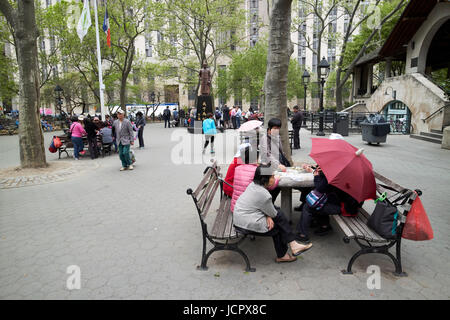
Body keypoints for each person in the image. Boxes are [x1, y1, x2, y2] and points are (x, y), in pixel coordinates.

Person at [233, 164, 313, 262]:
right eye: (272, 176)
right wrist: (269, 215)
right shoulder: (263, 194)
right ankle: (286, 251)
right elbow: (273, 213)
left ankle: (291, 246)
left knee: (278, 214)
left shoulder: (253, 185)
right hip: (245, 223)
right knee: (279, 224)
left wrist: (268, 215)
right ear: (264, 179)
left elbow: (266, 208)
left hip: (242, 217)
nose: (274, 178)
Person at [259, 118, 291, 202]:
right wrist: (278, 164)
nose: (276, 130)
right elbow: (267, 154)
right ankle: (269, 204)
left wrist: (282, 161)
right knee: (273, 187)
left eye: (278, 128)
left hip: (277, 166)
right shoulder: (264, 139)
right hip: (267, 167)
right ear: (269, 129)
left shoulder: (277, 137)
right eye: (275, 128)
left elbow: (281, 151)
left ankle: (271, 203)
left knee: (278, 186)